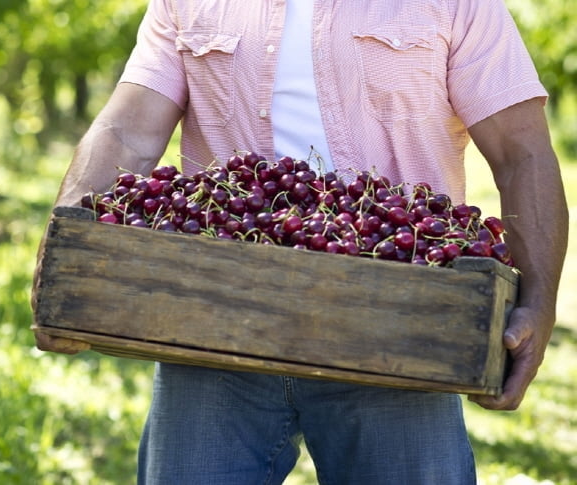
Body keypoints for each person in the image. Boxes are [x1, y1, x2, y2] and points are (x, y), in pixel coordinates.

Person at [32, 0, 569, 483]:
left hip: (401, 325)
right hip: (214, 319)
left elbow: (521, 153)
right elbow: (126, 133)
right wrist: (64, 251)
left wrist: (538, 304)